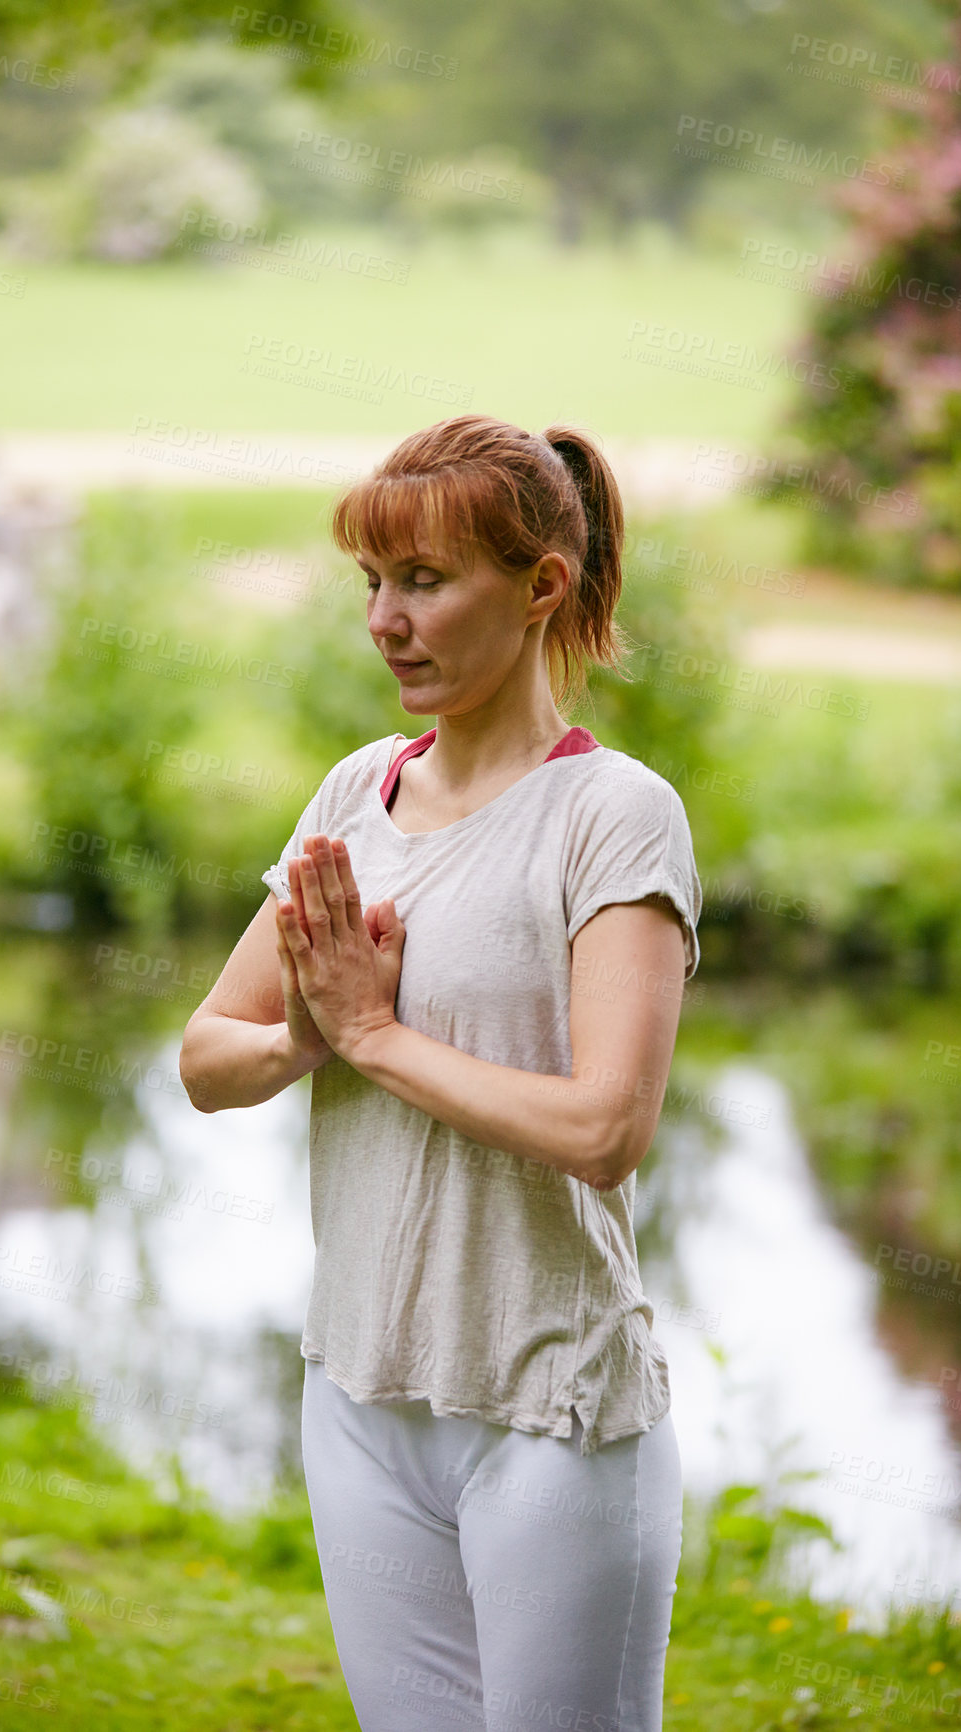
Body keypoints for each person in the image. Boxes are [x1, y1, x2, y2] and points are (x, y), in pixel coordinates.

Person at [179, 413, 703, 1732]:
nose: (384, 621)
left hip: (550, 1413)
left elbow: (604, 1127)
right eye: (372, 583)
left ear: (540, 588)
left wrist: (369, 1039)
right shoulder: (357, 792)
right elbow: (203, 1056)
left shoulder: (611, 814)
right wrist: (305, 1038)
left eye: (423, 581)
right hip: (358, 1393)